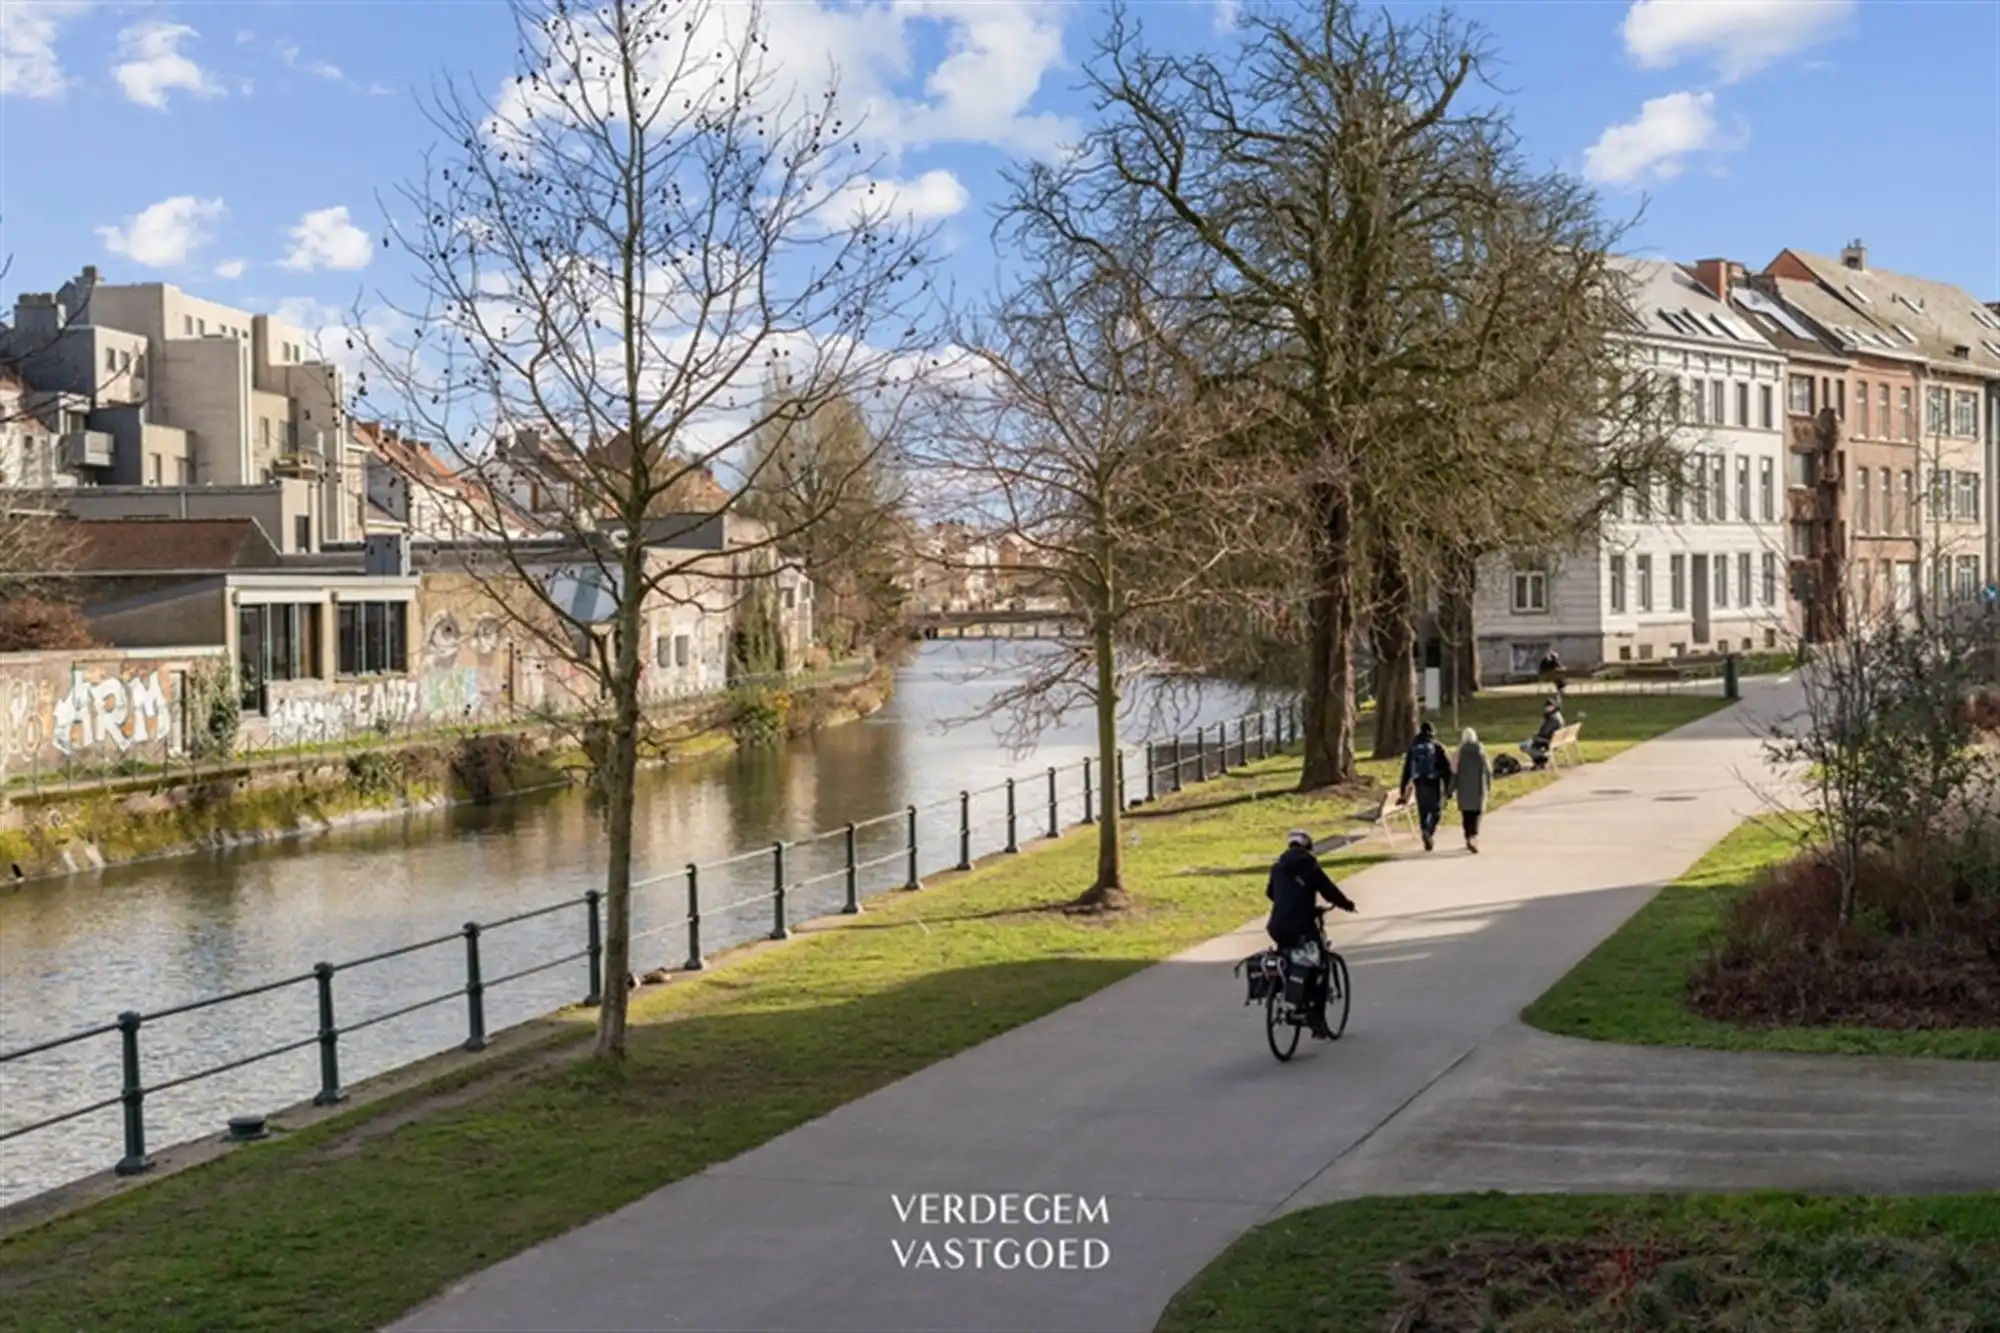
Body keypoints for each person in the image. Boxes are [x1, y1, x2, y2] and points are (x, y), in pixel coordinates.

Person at [1265, 830, 1357, 1039]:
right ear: (1308, 847)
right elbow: (1328, 890)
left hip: (1276, 926)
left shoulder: (1277, 867)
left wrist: (1289, 901)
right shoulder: (1310, 866)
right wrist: (1347, 905)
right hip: (1301, 925)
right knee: (1320, 963)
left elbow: (1270, 893)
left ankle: (1289, 995)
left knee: (1289, 957)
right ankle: (1316, 1018)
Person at [1397, 720, 1455, 851]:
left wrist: (1403, 791)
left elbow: (1406, 771)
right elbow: (1448, 770)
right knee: (1436, 811)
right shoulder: (1437, 747)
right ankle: (1429, 831)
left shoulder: (1413, 748)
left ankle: (1424, 830)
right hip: (1434, 783)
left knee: (1423, 811)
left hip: (1419, 784)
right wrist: (1448, 790)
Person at [1455, 727, 1492, 853]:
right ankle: (1473, 836)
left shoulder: (1459, 752)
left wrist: (1451, 788)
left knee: (1466, 815)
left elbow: (1454, 771)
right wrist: (1488, 785)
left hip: (1463, 788)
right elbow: (1488, 770)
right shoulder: (1481, 750)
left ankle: (1468, 836)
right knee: (1476, 814)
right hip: (1479, 788)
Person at [1521, 697, 1565, 769]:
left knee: (1524, 745)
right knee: (1530, 743)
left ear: (1552, 707)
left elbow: (1545, 733)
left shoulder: (1552, 718)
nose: (1546, 709)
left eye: (1547, 707)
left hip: (1548, 741)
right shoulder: (1558, 715)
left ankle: (1542, 759)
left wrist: (1534, 737)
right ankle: (1539, 762)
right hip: (1555, 740)